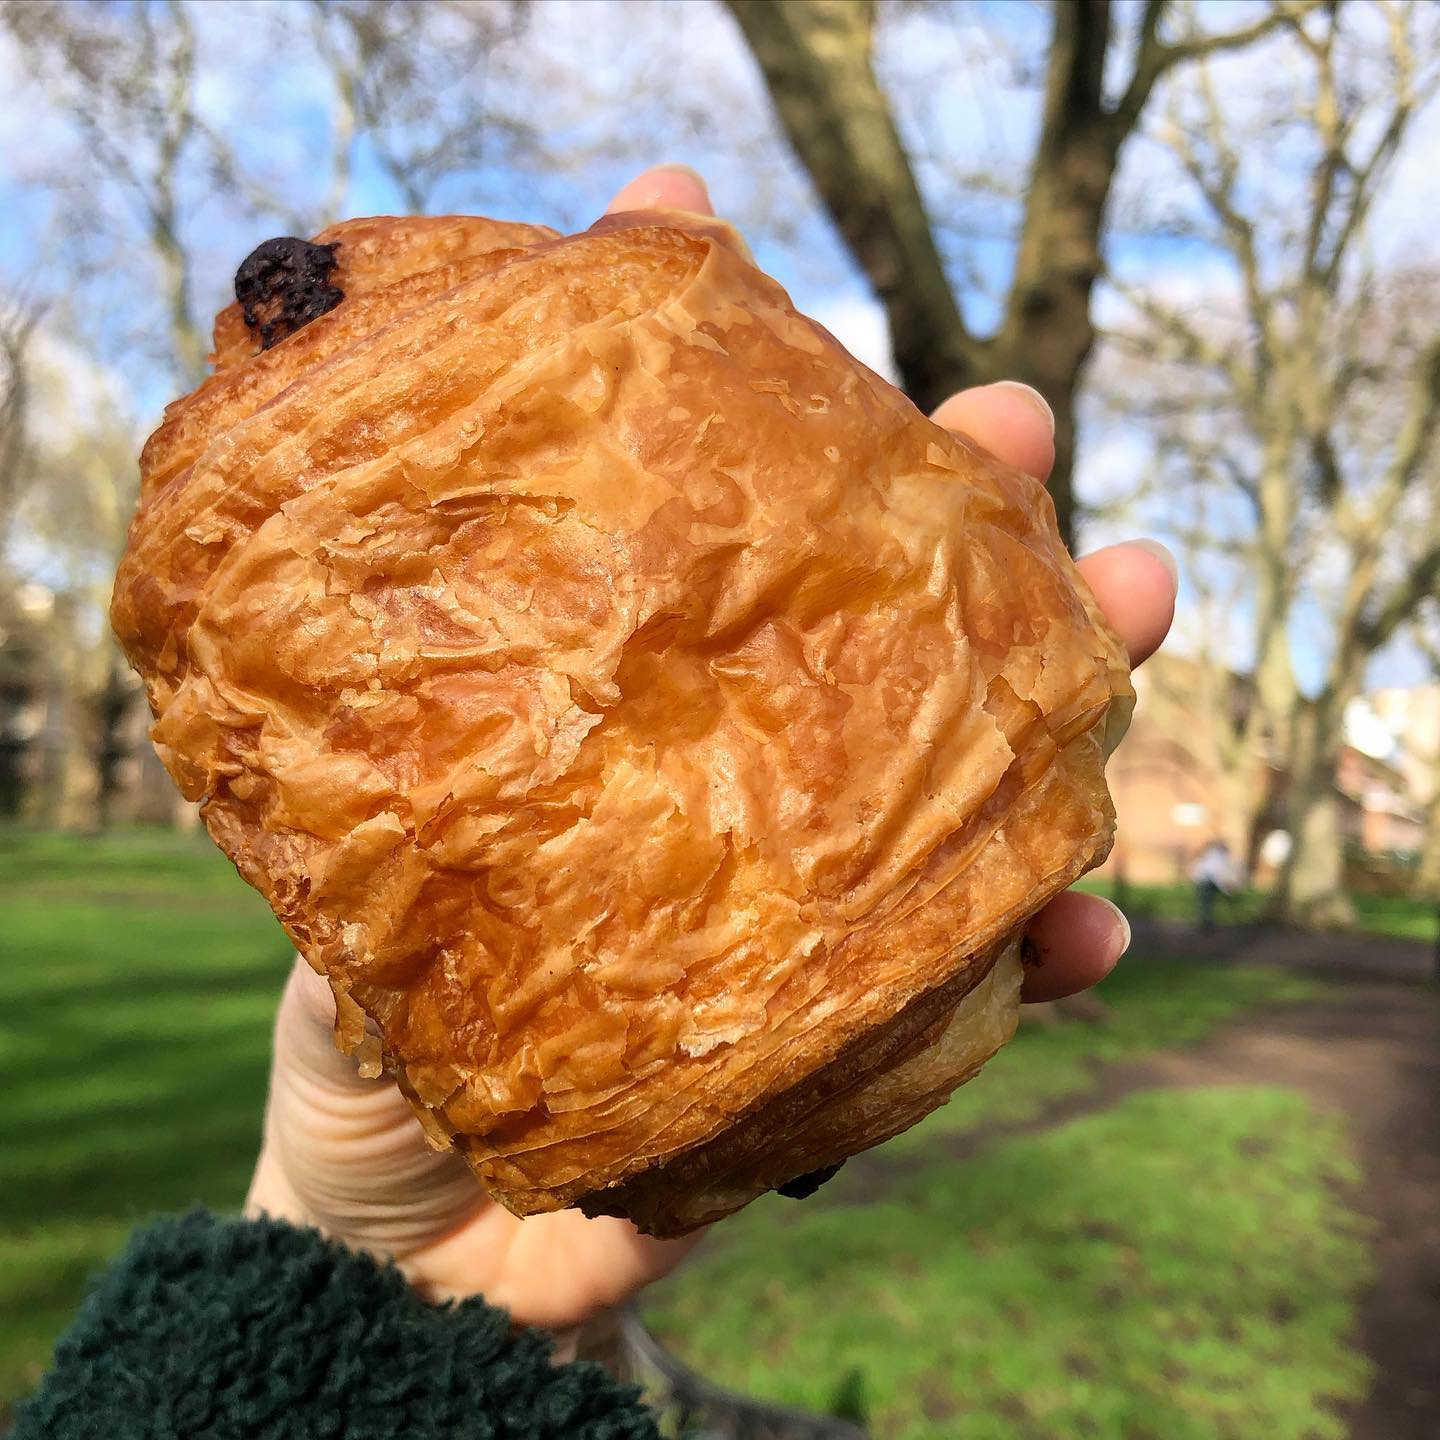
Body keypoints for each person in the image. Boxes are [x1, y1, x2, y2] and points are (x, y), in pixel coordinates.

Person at [10, 166, 1178, 1439]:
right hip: (622, 1115)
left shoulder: (628, 313)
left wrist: (346, 1250)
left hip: (646, 1107)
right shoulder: (601, 324)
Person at [1191, 838, 1238, 930]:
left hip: (1205, 882)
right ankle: (1205, 923)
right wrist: (1225, 889)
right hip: (1206, 883)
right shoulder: (1218, 858)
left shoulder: (1211, 856)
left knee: (1205, 903)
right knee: (1206, 903)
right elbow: (1217, 875)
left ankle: (1205, 922)